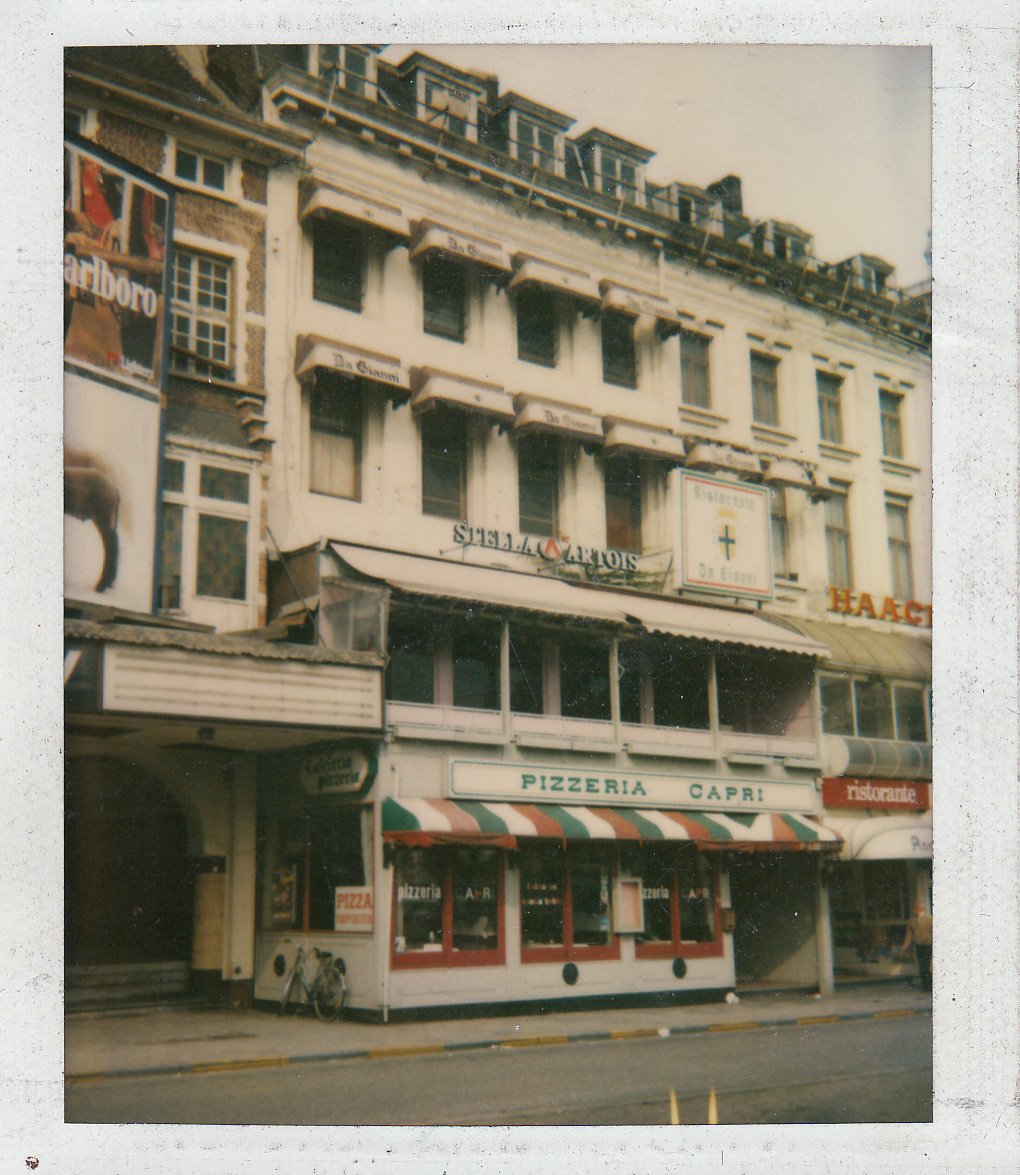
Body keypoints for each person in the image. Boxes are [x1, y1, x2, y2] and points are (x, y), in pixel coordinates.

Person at [903, 901, 933, 990]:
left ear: (920, 909)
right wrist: (906, 945)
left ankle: (929, 984)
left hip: (927, 944)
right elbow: (909, 933)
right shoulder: (912, 920)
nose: (915, 911)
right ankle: (925, 984)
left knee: (927, 965)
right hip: (918, 945)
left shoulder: (929, 919)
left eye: (916, 909)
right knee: (922, 965)